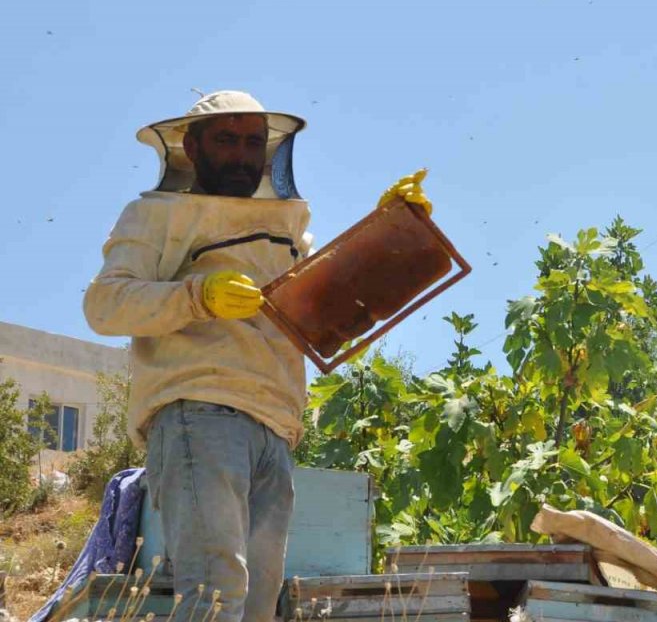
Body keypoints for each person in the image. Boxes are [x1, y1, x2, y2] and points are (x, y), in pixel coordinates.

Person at [83, 90, 429, 621]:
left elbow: (329, 311)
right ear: (191, 148)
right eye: (226, 140)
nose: (243, 154)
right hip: (198, 410)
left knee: (259, 607)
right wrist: (199, 296)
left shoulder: (290, 230)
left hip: (275, 425)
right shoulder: (157, 214)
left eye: (252, 142)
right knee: (215, 590)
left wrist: (390, 233)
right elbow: (105, 305)